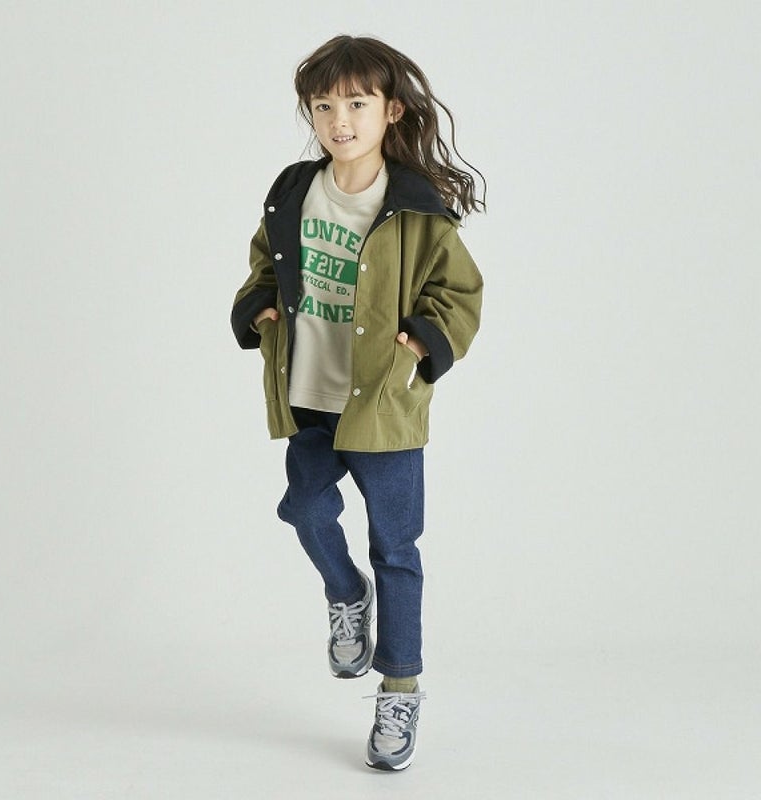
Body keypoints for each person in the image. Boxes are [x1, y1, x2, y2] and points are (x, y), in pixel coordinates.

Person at [231, 34, 485, 771]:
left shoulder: (416, 209)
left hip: (383, 404)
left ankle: (399, 689)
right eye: (323, 106)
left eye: (356, 103)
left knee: (396, 550)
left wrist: (421, 344)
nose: (338, 120)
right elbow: (264, 260)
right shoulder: (293, 190)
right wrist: (258, 307)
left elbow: (460, 292)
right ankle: (346, 595)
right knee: (305, 509)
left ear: (391, 111)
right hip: (310, 393)